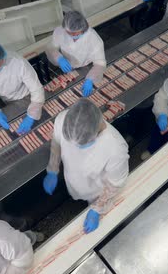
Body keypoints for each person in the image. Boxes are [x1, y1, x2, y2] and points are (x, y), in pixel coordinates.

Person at [42, 99, 129, 234]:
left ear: (94, 134)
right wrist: (53, 169)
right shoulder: (65, 119)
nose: (74, 147)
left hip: (96, 191)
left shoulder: (116, 148)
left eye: (80, 145)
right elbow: (57, 142)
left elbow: (114, 184)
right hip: (75, 179)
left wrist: (96, 209)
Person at [0, 41, 45, 135]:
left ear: (2, 58)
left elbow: (36, 89)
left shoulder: (17, 62)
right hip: (7, 100)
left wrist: (32, 115)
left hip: (27, 95)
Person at [46, 11, 106, 97]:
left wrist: (90, 79)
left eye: (75, 33)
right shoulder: (61, 31)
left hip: (86, 67)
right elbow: (51, 47)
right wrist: (59, 58)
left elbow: (100, 63)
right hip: (66, 67)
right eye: (69, 32)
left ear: (83, 29)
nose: (72, 35)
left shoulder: (93, 38)